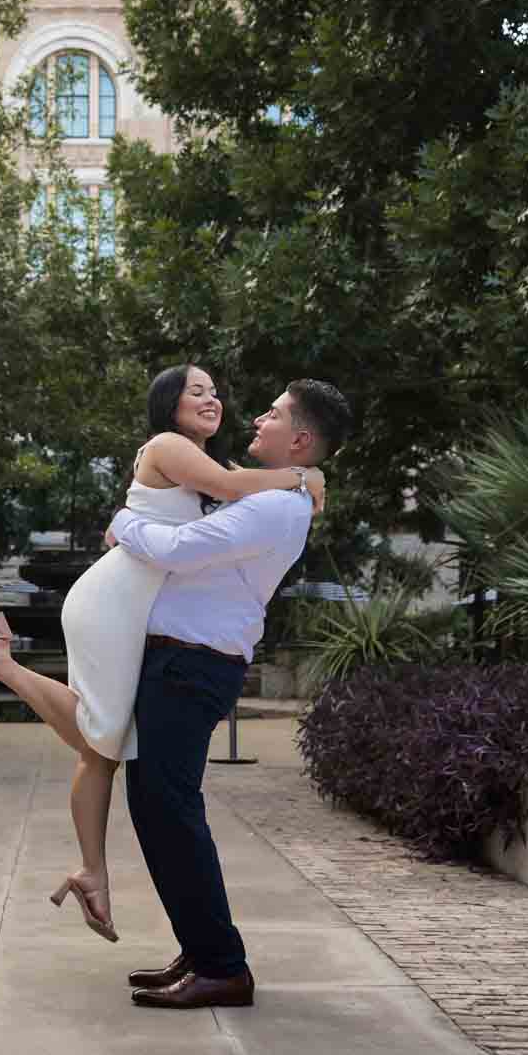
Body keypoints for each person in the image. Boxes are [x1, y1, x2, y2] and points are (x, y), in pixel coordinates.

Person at [0, 364, 327, 944]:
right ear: (168, 404)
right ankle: (3, 665)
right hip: (113, 599)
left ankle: (91, 869)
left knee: (103, 748)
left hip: (128, 601)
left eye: (215, 392)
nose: (211, 399)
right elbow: (231, 489)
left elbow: (235, 483)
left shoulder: (207, 464)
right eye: (196, 391)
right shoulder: (170, 446)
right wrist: (303, 474)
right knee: (103, 734)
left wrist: (302, 477)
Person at [114, 376, 353, 1010]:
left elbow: (182, 549)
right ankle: (202, 950)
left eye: (272, 415)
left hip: (192, 667)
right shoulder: (273, 494)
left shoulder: (275, 505)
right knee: (160, 811)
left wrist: (121, 523)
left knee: (171, 813)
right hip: (182, 663)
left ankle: (222, 965)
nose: (257, 421)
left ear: (299, 438)